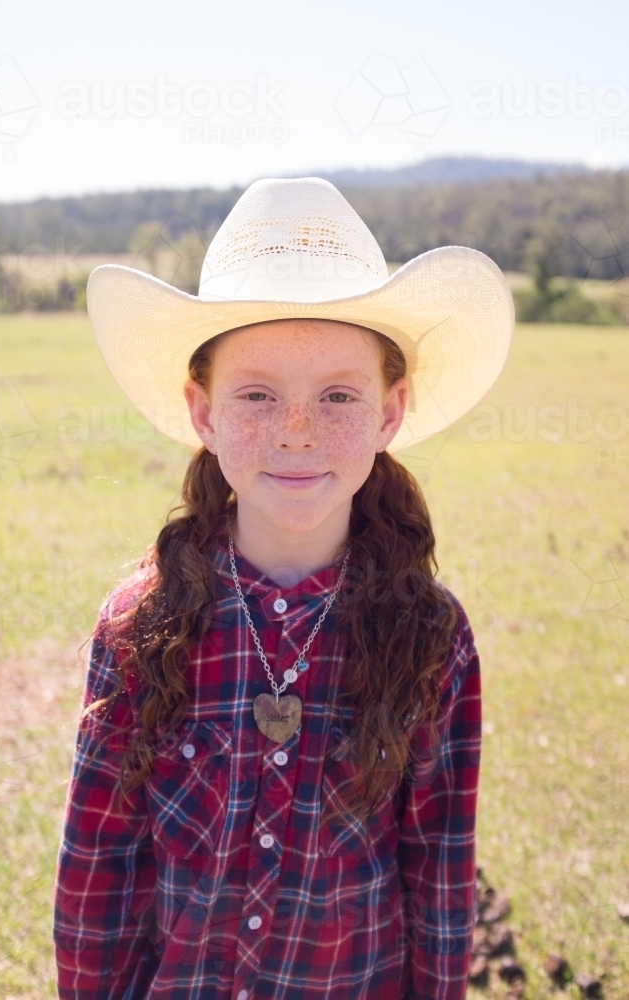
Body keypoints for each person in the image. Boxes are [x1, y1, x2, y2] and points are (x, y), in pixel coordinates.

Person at [53, 177, 514, 1000]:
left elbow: (439, 873)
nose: (296, 428)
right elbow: (98, 871)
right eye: (257, 395)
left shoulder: (431, 635)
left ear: (388, 411)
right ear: (202, 411)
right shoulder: (139, 625)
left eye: (337, 395)